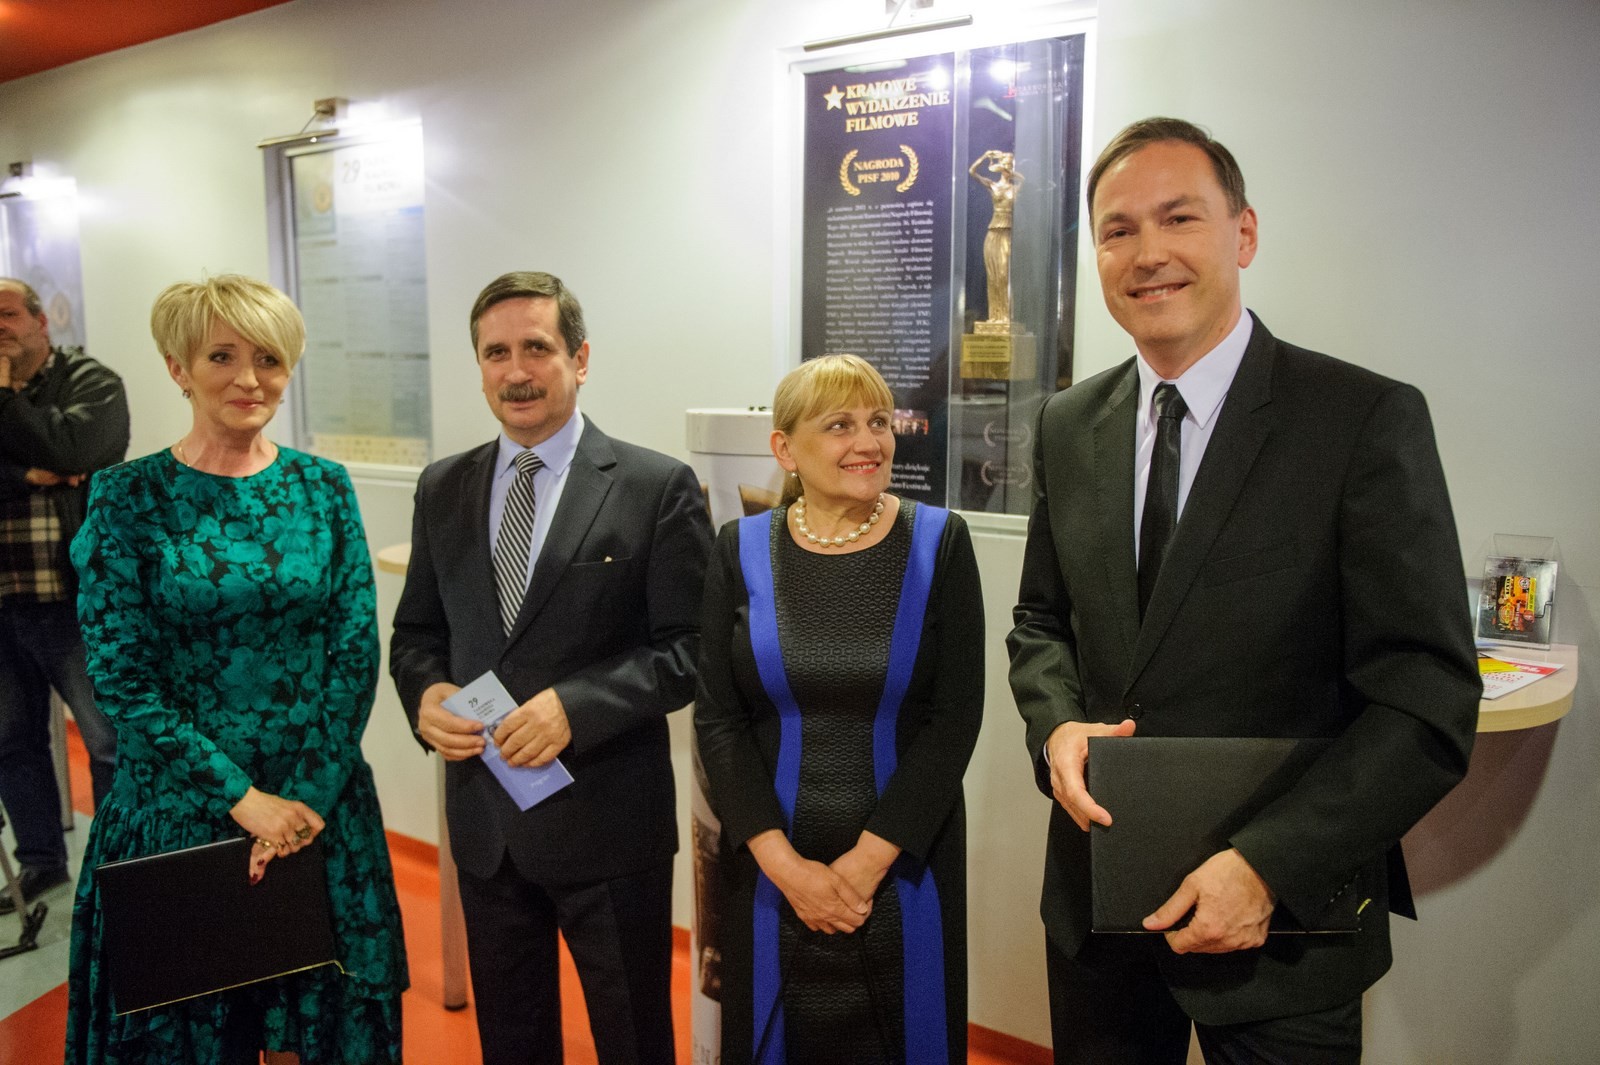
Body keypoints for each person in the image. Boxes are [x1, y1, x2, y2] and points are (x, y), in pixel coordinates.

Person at [1007, 117, 1480, 1064]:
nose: (1148, 253)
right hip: (1102, 913)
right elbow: (1041, 622)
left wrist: (1268, 865)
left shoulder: (1361, 420)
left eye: (1179, 217)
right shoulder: (1066, 422)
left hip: (1285, 930)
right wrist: (1055, 727)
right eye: (1118, 230)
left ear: (1244, 232)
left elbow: (1426, 699)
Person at [65, 275, 407, 1065]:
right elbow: (122, 679)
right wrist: (244, 801)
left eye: (269, 359)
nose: (249, 378)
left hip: (317, 815)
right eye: (221, 356)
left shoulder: (323, 487)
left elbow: (354, 654)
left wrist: (302, 803)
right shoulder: (124, 497)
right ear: (177, 368)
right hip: (181, 817)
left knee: (321, 1038)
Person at [389, 270, 712, 1065]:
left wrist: (577, 706)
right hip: (487, 826)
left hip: (608, 825)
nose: (517, 371)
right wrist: (425, 694)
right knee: (513, 1044)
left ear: (580, 358)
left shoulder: (654, 487)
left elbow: (693, 650)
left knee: (634, 1042)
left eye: (536, 347)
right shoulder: (443, 486)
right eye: (495, 353)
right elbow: (418, 633)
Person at [695, 354, 985, 1065]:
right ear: (785, 448)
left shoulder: (940, 542)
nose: (869, 442)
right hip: (771, 875)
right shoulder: (739, 549)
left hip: (903, 870)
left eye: (879, 422)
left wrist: (864, 866)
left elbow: (955, 719)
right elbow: (718, 719)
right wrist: (785, 867)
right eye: (839, 425)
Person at [0, 277, 125, 918]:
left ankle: (117, 871)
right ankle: (41, 861)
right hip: (3, 606)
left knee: (106, 742)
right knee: (11, 741)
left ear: (40, 320)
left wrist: (4, 399)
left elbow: (80, 448)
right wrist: (27, 473)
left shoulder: (91, 382)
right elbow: (51, 454)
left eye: (7, 314)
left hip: (76, 603)